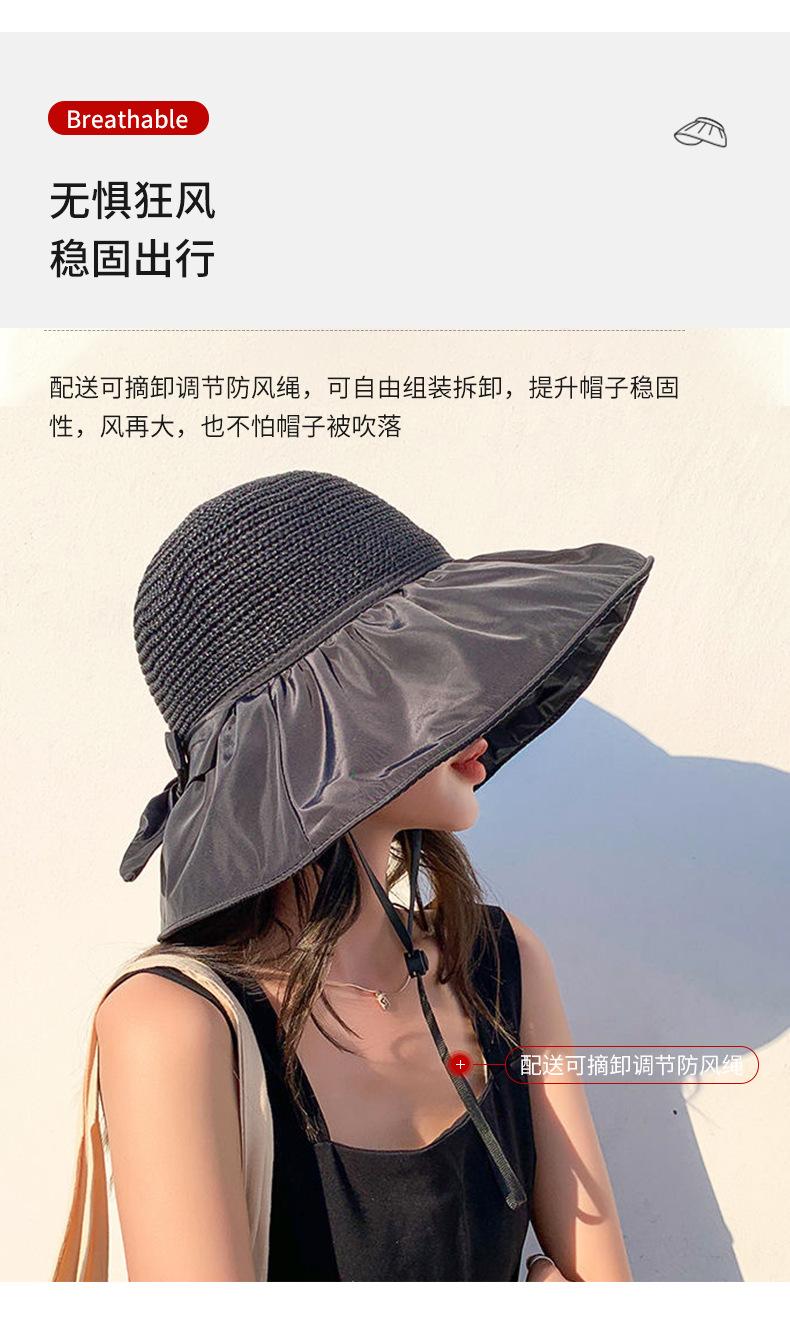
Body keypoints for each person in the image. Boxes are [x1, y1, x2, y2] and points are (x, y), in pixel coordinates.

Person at [90, 470, 654, 1281]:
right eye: (423, 669)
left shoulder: (503, 962)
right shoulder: (172, 1025)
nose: (475, 704)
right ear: (313, 732)